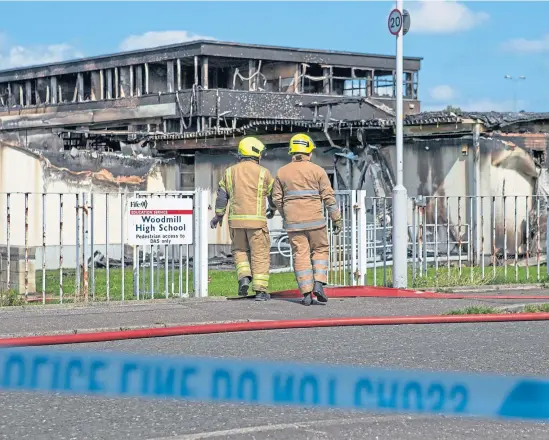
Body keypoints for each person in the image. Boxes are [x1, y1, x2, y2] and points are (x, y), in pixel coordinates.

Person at [272, 133, 343, 306]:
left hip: (293, 223)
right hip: (315, 222)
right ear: (309, 153)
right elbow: (329, 197)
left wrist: (286, 214)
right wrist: (337, 219)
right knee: (320, 250)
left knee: (300, 255)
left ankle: (305, 294)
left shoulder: (282, 172)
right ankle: (318, 283)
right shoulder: (317, 171)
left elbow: (276, 199)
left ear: (292, 152)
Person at [210, 137, 276, 301]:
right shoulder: (264, 172)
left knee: (240, 251)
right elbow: (274, 195)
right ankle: (260, 291)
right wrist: (273, 210)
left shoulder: (229, 172)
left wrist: (218, 215)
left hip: (236, 222)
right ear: (256, 153)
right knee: (259, 254)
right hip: (257, 223)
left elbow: (221, 196)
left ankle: (244, 278)